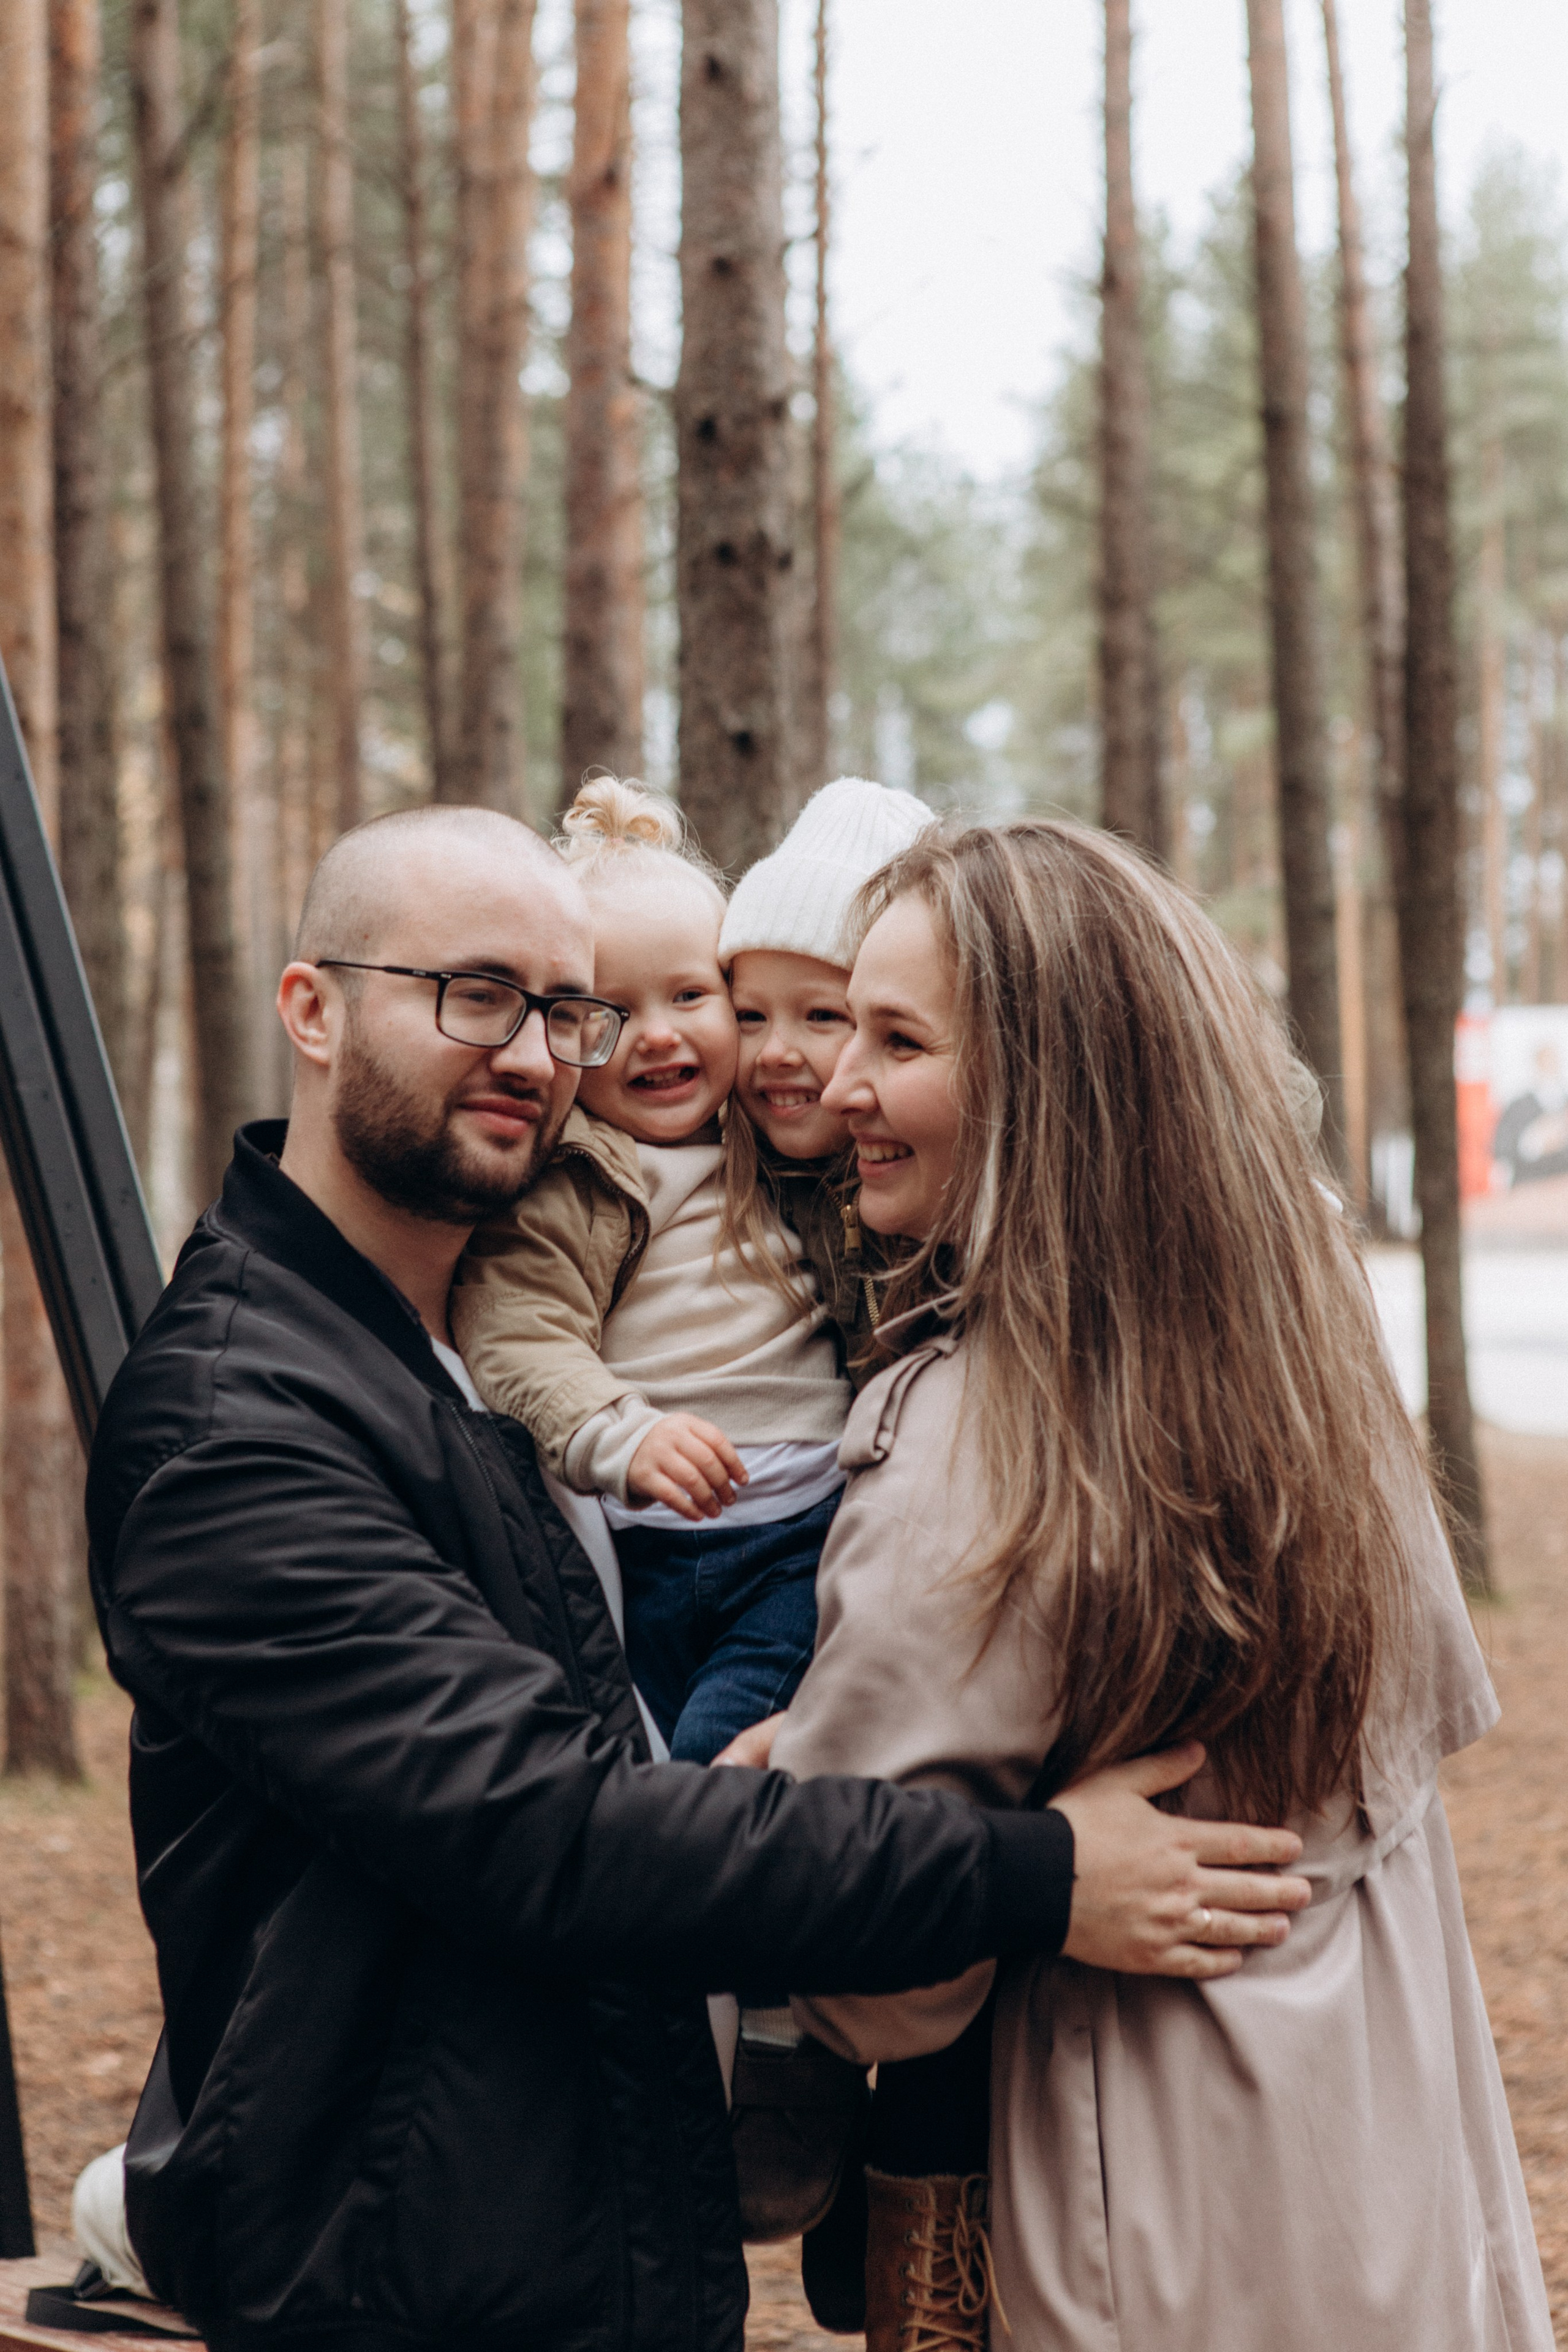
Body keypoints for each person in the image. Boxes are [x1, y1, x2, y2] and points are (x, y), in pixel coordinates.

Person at [85, 804, 1311, 2352]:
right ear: (312, 1008)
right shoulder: (240, 1423)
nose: (532, 1053)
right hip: (391, 2291)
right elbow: (551, 1827)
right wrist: (1039, 1876)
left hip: (592, 2264)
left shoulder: (451, 1356)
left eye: (564, 1008)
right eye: (472, 994)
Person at [770, 816, 1553, 2352]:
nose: (834, 1084)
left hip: (1141, 2207)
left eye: (895, 1038)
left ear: (1049, 1084)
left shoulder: (968, 1443)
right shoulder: (1307, 1359)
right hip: (1386, 2153)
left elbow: (865, 1968)